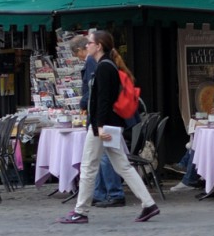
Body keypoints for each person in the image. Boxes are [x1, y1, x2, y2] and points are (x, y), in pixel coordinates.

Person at [61, 30, 159, 224]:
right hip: (108, 125)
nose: (86, 45)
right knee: (122, 165)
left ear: (98, 46)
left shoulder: (104, 68)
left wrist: (99, 126)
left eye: (89, 43)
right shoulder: (107, 65)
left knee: (89, 166)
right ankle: (149, 204)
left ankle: (81, 211)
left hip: (102, 126)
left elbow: (103, 101)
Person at [69, 34, 126, 207]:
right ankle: (99, 193)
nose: (87, 47)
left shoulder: (96, 63)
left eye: (90, 43)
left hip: (102, 120)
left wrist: (97, 123)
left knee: (102, 160)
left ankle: (112, 193)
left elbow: (99, 95)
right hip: (100, 120)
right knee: (102, 159)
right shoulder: (100, 62)